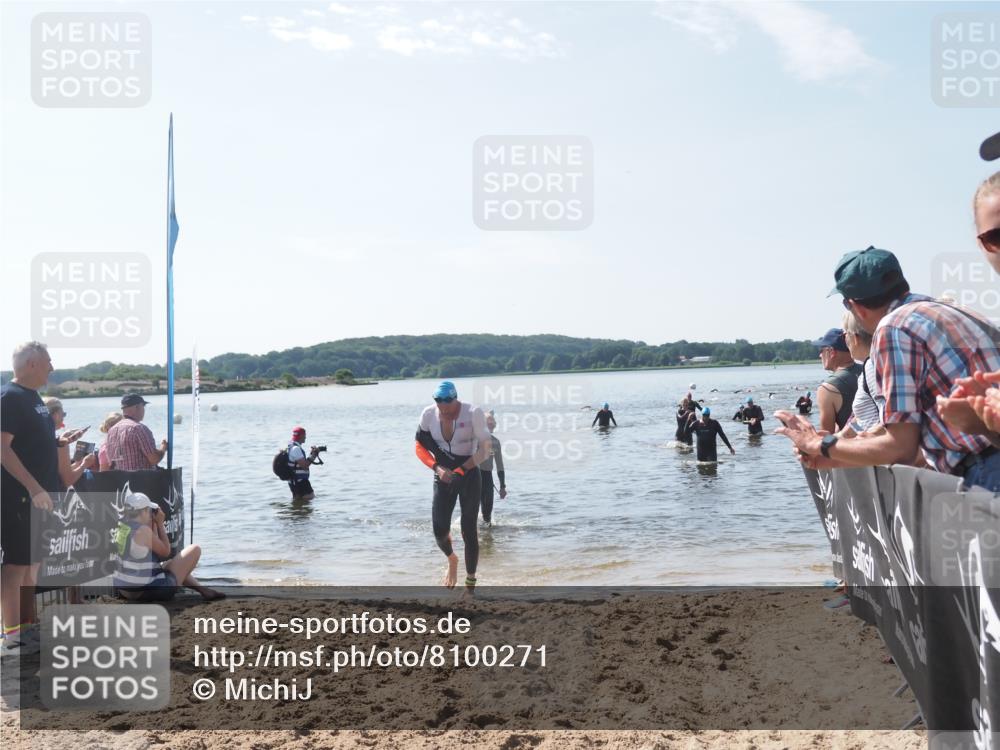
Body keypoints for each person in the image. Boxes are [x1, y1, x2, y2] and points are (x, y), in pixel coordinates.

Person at [776, 247, 1000, 493]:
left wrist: (820, 443)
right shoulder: (956, 310)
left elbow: (901, 448)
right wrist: (832, 457)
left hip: (986, 469)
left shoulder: (893, 327)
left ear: (855, 307)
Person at [1, 342, 66, 654]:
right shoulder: (9, 397)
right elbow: (2, 448)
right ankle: (11, 636)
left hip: (42, 497)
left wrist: (56, 443)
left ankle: (28, 626)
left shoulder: (34, 398)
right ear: (30, 364)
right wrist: (33, 487)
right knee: (15, 565)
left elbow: (31, 442)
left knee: (33, 563)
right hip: (20, 498)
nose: (51, 368)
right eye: (48, 362)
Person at [414, 381, 491, 593]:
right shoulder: (428, 415)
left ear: (455, 399)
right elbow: (419, 445)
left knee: (469, 530)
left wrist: (461, 470)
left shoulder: (472, 413)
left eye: (448, 405)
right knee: (439, 530)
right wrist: (436, 468)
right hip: (443, 474)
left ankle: (470, 583)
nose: (444, 410)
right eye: (439, 404)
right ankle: (451, 559)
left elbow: (485, 449)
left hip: (468, 472)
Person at [114, 492, 223, 601]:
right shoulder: (142, 531)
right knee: (194, 550)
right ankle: (205, 591)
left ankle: (204, 591)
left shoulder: (122, 527)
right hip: (144, 592)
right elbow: (165, 551)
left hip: (125, 590)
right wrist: (160, 524)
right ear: (143, 512)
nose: (150, 513)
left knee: (169, 564)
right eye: (148, 510)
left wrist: (153, 524)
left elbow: (153, 551)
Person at [813, 328, 863, 434]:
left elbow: (826, 436)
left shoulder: (827, 388)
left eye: (821, 350)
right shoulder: (869, 369)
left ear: (831, 352)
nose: (820, 355)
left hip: (853, 447)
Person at [104, 394, 168, 471]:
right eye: (143, 406)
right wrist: (163, 448)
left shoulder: (111, 431)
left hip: (120, 480)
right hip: (141, 480)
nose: (144, 410)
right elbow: (154, 459)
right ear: (137, 407)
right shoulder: (138, 428)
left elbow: (111, 462)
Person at [44, 397, 97, 487]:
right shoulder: (61, 444)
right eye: (63, 414)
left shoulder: (38, 438)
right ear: (56, 415)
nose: (63, 418)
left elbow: (58, 473)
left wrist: (77, 464)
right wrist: (85, 464)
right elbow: (67, 480)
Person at [478, 411, 507, 527]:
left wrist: (502, 486)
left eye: (493, 423)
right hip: (473, 476)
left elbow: (500, 465)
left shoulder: (495, 442)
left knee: (487, 516)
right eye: (490, 423)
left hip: (487, 478)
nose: (493, 425)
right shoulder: (473, 439)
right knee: (471, 509)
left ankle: (487, 540)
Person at [287, 426, 323, 500]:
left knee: (298, 503)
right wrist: (314, 454)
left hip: (294, 481)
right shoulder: (296, 449)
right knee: (310, 498)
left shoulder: (291, 447)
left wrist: (312, 454)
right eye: (305, 435)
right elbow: (304, 465)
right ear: (301, 436)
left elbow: (301, 463)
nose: (305, 437)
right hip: (300, 481)